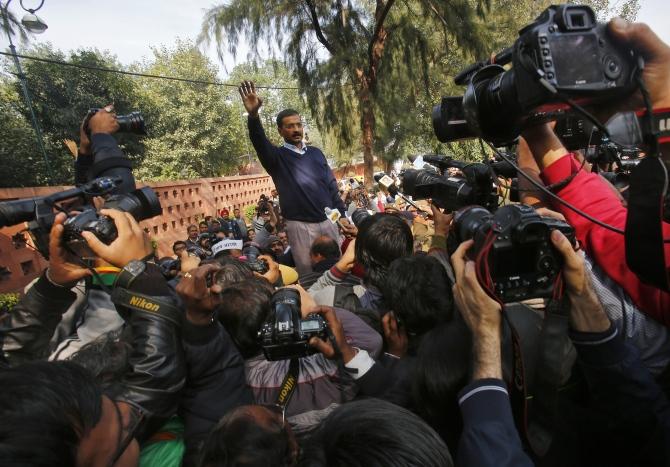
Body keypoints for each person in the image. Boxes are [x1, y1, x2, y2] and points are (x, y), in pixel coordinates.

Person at [239, 81, 346, 276]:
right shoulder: (276, 158)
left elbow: (330, 187)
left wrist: (341, 216)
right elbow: (259, 142)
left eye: (298, 125)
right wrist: (254, 117)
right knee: (310, 275)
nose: (296, 129)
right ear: (280, 131)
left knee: (338, 270)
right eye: (290, 127)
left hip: (329, 221)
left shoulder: (316, 153)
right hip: (300, 226)